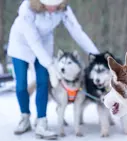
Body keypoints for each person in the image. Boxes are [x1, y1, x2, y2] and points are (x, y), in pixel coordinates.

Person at [7, 0, 99, 139]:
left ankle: (42, 122)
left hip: (44, 44)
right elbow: (34, 41)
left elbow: (77, 33)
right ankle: (24, 117)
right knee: (21, 85)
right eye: (49, 4)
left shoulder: (63, 9)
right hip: (21, 46)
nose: (52, 8)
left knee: (43, 82)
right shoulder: (27, 9)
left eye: (55, 4)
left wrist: (96, 56)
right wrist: (50, 66)